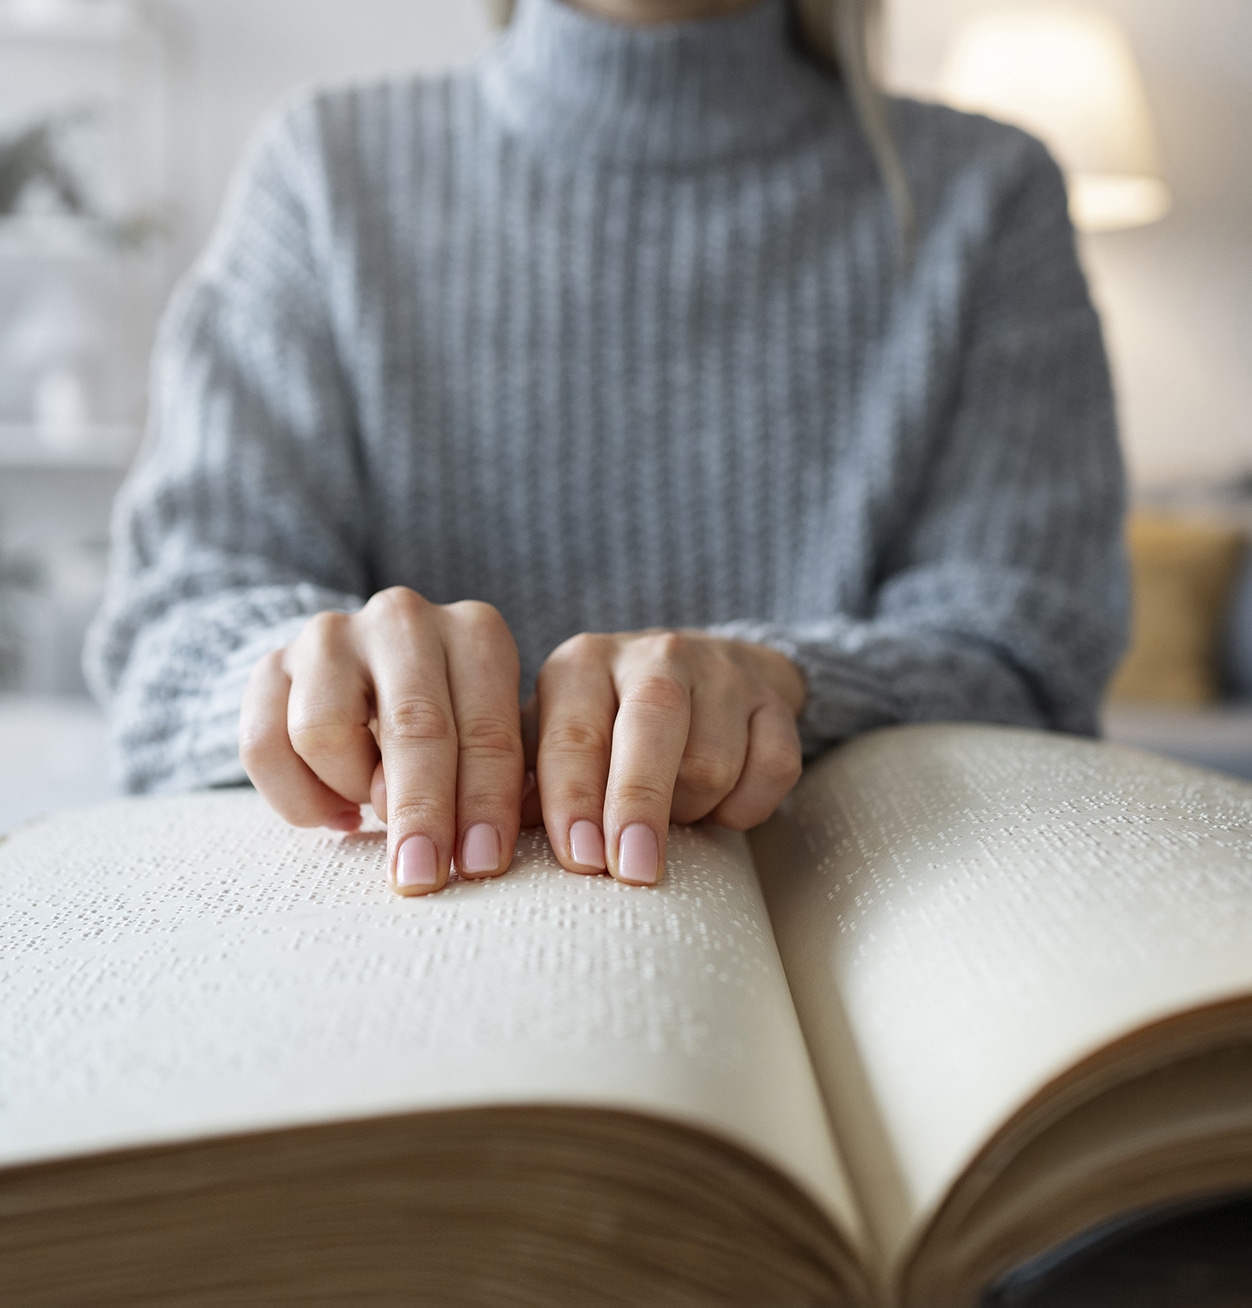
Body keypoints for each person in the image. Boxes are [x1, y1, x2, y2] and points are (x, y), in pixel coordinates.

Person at [85, 0, 1128, 898]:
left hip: (861, 913)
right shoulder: (321, 172)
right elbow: (173, 630)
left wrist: (792, 683)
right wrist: (296, 675)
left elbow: (1026, 661)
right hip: (385, 928)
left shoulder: (987, 196)